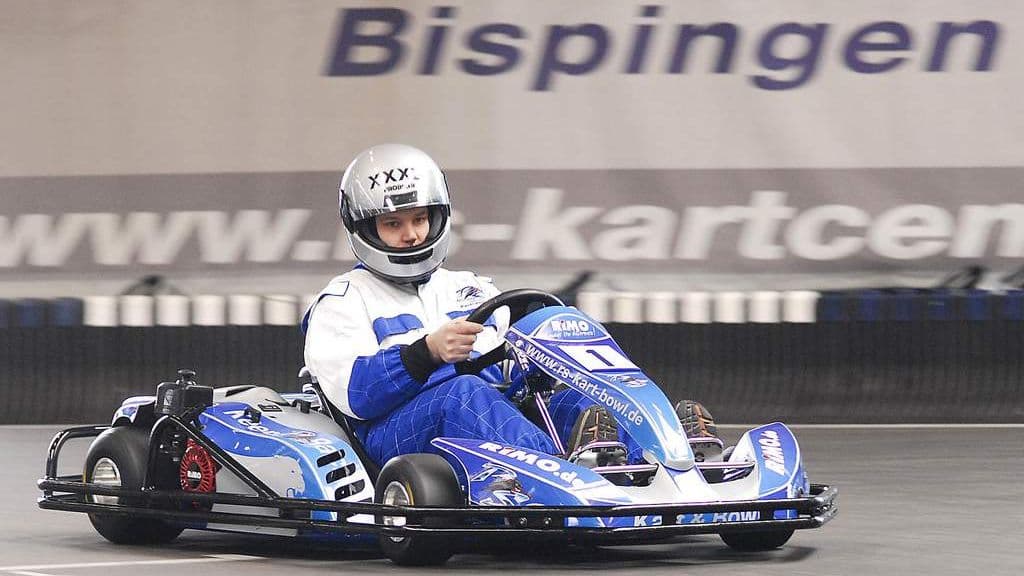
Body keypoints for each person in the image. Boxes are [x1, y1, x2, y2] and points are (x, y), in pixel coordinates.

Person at [302, 143, 626, 467]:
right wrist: (426, 352)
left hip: (491, 412)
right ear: (365, 228)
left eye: (419, 218)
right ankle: (563, 479)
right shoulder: (342, 301)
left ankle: (655, 474)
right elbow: (356, 395)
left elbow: (509, 369)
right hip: (394, 434)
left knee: (581, 395)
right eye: (393, 224)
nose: (412, 235)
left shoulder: (469, 286)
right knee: (464, 393)